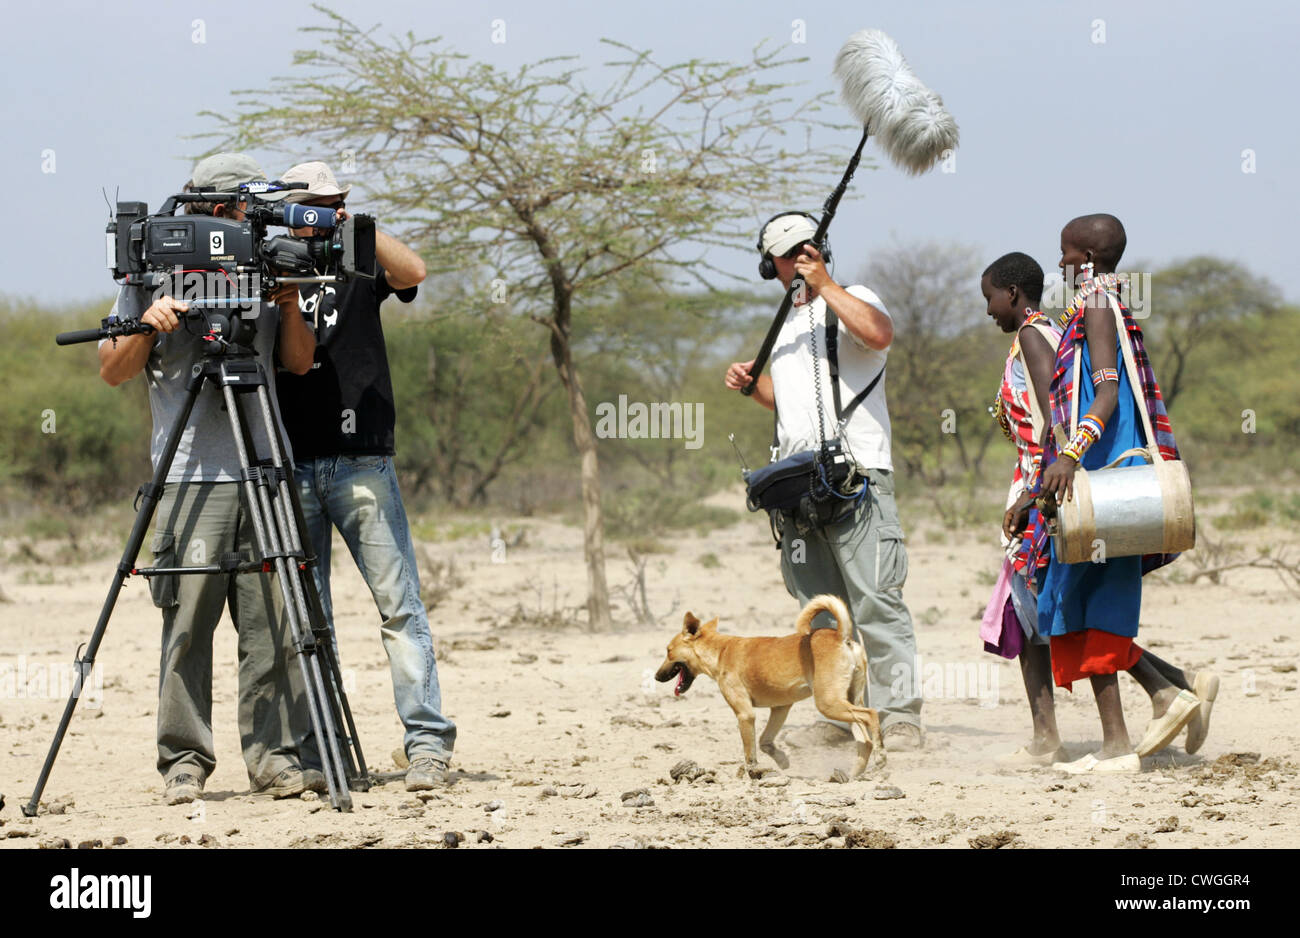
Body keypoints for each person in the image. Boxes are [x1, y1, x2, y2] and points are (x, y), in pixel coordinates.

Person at [97, 153, 323, 804]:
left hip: (263, 468)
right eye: (233, 209)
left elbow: (300, 364)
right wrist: (152, 321)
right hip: (192, 472)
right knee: (187, 623)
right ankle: (184, 762)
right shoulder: (152, 265)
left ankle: (276, 759)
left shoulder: (265, 260)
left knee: (273, 629)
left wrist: (289, 302)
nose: (239, 219)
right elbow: (113, 368)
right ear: (207, 207)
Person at [1009, 213, 1219, 773]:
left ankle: (1128, 736)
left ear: (1089, 260)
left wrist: (1070, 457)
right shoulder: (1090, 309)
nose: (1060, 264)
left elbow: (1103, 398)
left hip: (1105, 485)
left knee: (1095, 602)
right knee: (1078, 600)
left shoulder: (1099, 307)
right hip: (1090, 484)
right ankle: (1129, 730)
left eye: (1067, 254)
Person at [273, 160, 456, 791]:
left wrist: (358, 225)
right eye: (314, 203)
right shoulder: (269, 266)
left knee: (398, 605)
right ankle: (324, 748)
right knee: (310, 615)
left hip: (364, 456)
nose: (326, 210)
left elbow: (414, 273)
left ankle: (427, 743)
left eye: (336, 201)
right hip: (291, 458)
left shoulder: (357, 255)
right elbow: (292, 363)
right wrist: (286, 281)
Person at [724, 212, 924, 751]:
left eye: (810, 248)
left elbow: (879, 334)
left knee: (877, 602)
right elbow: (788, 404)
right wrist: (752, 385)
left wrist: (826, 286)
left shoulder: (851, 295)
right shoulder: (784, 325)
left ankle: (901, 716)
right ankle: (839, 715)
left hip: (856, 475)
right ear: (773, 265)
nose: (803, 258)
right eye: (790, 253)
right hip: (797, 488)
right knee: (818, 610)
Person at [978, 252, 1063, 766]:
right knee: (1029, 617)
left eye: (989, 296)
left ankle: (1171, 687)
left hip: (1042, 492)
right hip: (1036, 489)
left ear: (1011, 292)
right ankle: (1045, 736)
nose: (987, 308)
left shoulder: (1033, 336)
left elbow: (1058, 418)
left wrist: (1034, 496)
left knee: (1048, 614)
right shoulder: (1040, 333)